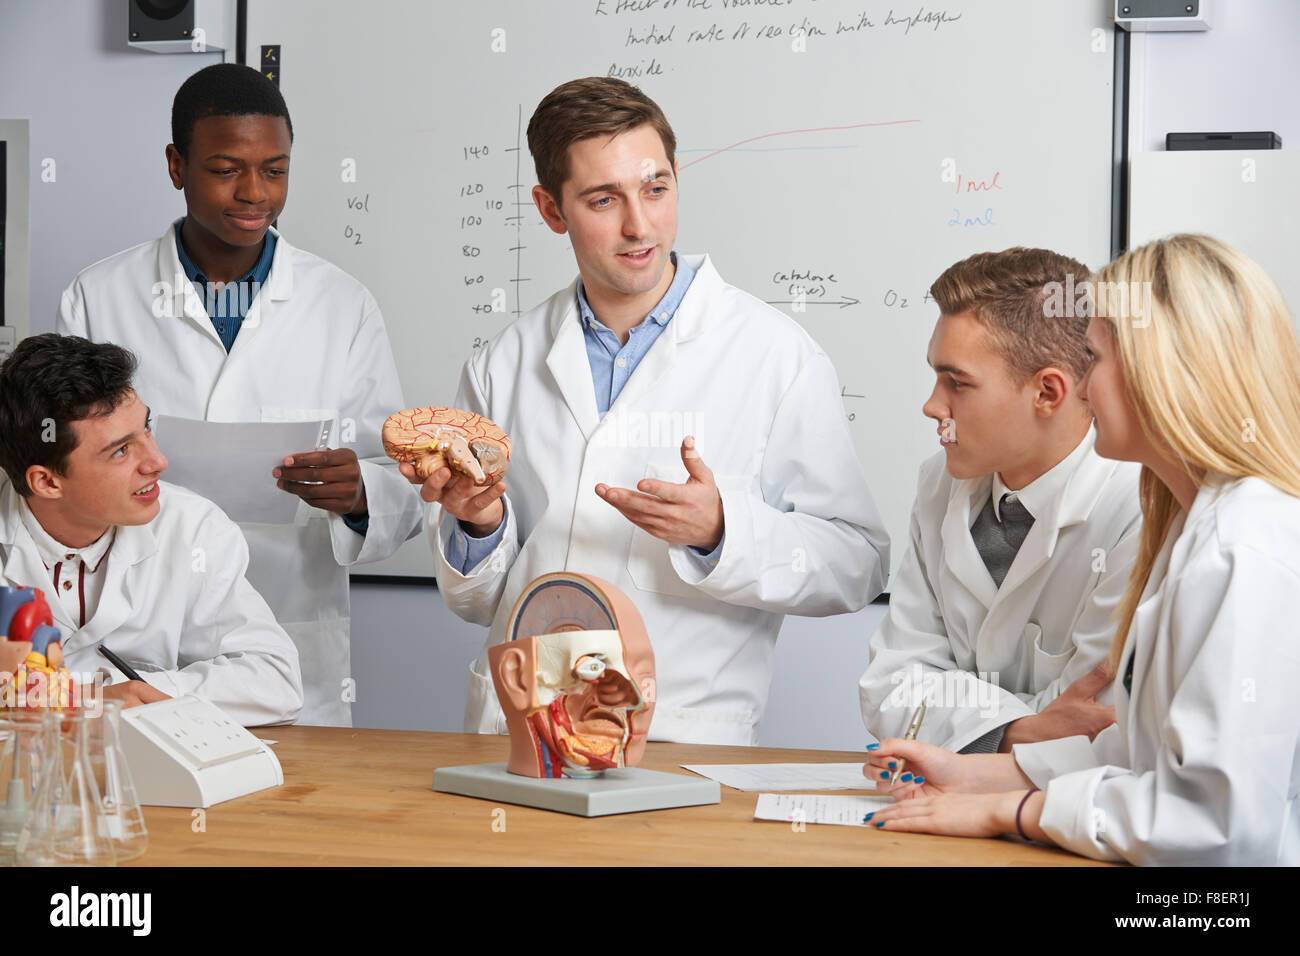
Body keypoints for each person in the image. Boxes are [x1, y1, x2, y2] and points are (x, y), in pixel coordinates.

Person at [404, 77, 890, 745]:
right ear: (552, 209)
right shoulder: (503, 363)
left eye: (656, 189)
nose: (640, 225)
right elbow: (478, 601)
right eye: (604, 200)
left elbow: (857, 564)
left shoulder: (777, 356)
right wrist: (481, 523)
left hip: (681, 735)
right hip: (521, 732)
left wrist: (723, 531)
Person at [863, 235, 1300, 865]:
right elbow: (1132, 753)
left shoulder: (1241, 548)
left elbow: (1215, 824)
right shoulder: (1186, 527)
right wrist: (985, 776)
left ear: (1163, 371)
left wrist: (1012, 810)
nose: (1082, 387)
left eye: (1092, 358)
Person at [56, 64, 422, 726]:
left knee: (289, 824)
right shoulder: (98, 296)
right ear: (177, 165)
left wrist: (362, 492)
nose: (256, 192)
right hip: (138, 633)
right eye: (227, 169)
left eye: (275, 170)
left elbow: (402, 479)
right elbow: (57, 466)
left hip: (293, 636)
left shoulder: (343, 304)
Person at [858, 249, 1142, 753]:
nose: (931, 405)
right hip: (951, 804)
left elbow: (1097, 721)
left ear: (1048, 393)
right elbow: (892, 685)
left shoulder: (1136, 510)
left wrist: (960, 725)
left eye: (957, 382)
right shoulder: (938, 485)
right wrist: (1019, 732)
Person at [0, 334, 302, 726]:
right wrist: (88, 698)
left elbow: (275, 683)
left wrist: (134, 695)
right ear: (47, 482)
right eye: (121, 451)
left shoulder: (192, 528)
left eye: (147, 428)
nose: (157, 461)